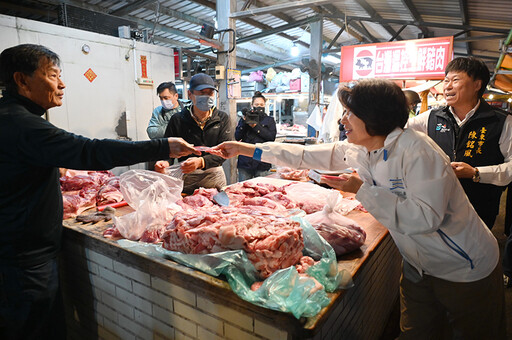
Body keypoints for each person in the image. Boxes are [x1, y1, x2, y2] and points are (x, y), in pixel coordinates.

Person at [211, 79, 505, 339]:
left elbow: (424, 217)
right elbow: (304, 154)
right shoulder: (361, 147)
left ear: (374, 117)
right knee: (415, 331)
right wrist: (246, 148)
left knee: (474, 333)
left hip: (464, 265)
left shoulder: (417, 152)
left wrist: (361, 190)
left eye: (350, 113)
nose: (343, 120)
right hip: (417, 264)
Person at [0, 44, 199, 339]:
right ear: (22, 80)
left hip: (19, 251)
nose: (62, 83)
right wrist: (163, 145)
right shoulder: (21, 124)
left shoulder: (11, 117)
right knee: (37, 330)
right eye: (53, 75)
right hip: (25, 259)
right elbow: (88, 150)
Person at [408, 57, 512, 230]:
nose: (447, 86)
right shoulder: (431, 118)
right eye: (446, 80)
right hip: (437, 208)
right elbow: (397, 134)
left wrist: (476, 173)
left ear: (477, 85)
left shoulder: (502, 122)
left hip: (480, 210)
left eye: (455, 80)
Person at [154, 73, 232, 194]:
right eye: (201, 93)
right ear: (190, 94)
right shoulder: (178, 120)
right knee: (188, 208)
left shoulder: (222, 118)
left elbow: (225, 151)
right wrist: (164, 162)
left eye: (210, 93)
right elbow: (167, 149)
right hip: (187, 177)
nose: (206, 97)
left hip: (214, 178)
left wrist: (201, 162)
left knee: (218, 210)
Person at [235, 91, 276, 181]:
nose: (259, 106)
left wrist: (255, 126)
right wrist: (245, 122)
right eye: (257, 104)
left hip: (263, 161)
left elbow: (271, 138)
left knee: (262, 189)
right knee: (243, 190)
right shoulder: (245, 119)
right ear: (252, 105)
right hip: (245, 162)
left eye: (261, 104)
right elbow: (237, 137)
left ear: (265, 105)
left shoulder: (269, 120)